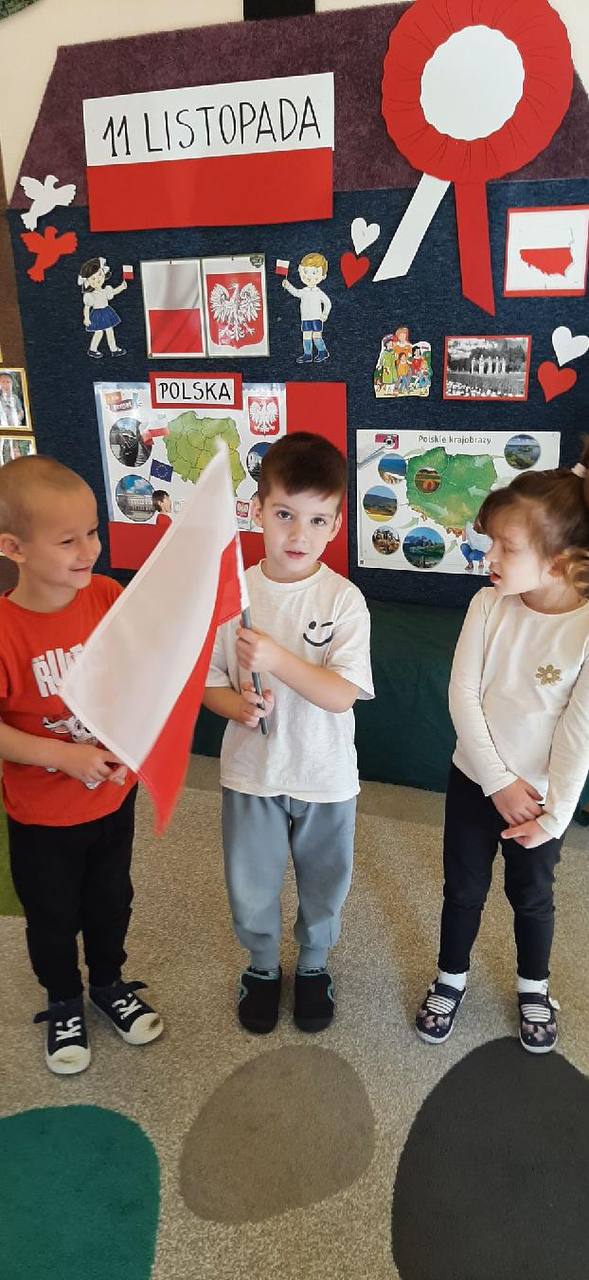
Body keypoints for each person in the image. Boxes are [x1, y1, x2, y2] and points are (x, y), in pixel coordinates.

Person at [416, 451, 589, 1054]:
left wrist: (554, 816)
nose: (487, 556)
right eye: (490, 542)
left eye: (505, 547)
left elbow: (578, 732)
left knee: (533, 897)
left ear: (557, 560)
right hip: (475, 782)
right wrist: (496, 782)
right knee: (463, 889)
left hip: (538, 800)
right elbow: (462, 697)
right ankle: (450, 977)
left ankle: (534, 986)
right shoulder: (487, 605)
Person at [204, 432, 373, 1035]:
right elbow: (210, 683)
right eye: (284, 515)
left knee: (325, 882)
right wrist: (237, 706)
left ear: (336, 525)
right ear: (257, 511)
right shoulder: (233, 595)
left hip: (325, 776)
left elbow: (341, 693)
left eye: (317, 520)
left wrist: (276, 657)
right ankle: (261, 964)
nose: (299, 535)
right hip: (253, 773)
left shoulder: (344, 600)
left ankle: (313, 964)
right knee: (250, 883)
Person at [0, 455, 162, 1074]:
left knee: (110, 900)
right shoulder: (6, 630)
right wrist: (61, 756)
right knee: (52, 916)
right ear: (13, 548)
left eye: (92, 532)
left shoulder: (106, 596)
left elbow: (132, 678)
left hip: (112, 798)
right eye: (68, 540)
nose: (89, 549)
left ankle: (108, 983)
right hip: (42, 815)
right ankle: (64, 999)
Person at [282, 253, 331, 364]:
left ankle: (322, 351)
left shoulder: (318, 292)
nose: (309, 276)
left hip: (317, 318)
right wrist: (288, 286)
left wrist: (325, 314)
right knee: (306, 336)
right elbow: (296, 292)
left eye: (314, 273)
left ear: (323, 276)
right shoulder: (304, 291)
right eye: (305, 271)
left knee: (316, 336)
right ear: (300, 270)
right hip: (305, 318)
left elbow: (327, 303)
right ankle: (307, 354)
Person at [78, 256, 127, 359]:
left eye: (100, 275)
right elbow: (87, 307)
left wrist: (122, 287)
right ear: (87, 282)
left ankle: (113, 349)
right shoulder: (90, 295)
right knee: (99, 332)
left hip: (106, 312)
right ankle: (93, 349)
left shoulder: (105, 290)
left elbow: (113, 292)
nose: (98, 279)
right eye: (93, 278)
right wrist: (86, 318)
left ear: (104, 274)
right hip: (97, 314)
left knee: (109, 331)